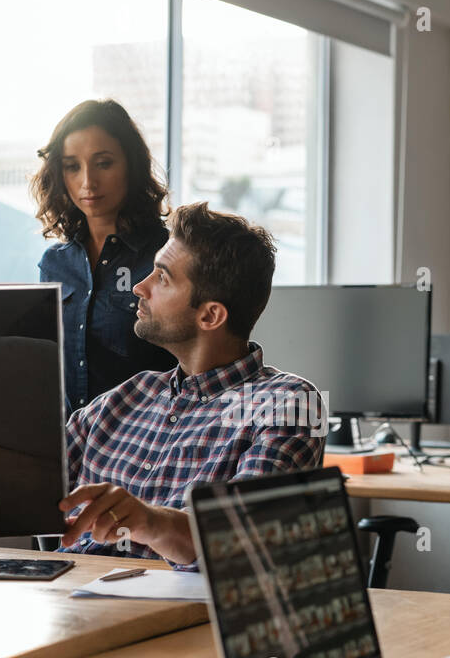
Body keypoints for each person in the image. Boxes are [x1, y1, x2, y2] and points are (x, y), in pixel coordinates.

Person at [57, 202, 325, 565]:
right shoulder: (130, 395)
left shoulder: (287, 404)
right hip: (63, 597)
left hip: (168, 613)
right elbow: (25, 482)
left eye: (162, 278)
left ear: (210, 315)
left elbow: (245, 542)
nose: (139, 287)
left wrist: (148, 520)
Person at [32, 99, 176, 411]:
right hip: (70, 445)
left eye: (104, 163)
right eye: (72, 166)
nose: (87, 182)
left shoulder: (167, 254)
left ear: (131, 164)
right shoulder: (54, 263)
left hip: (147, 445)